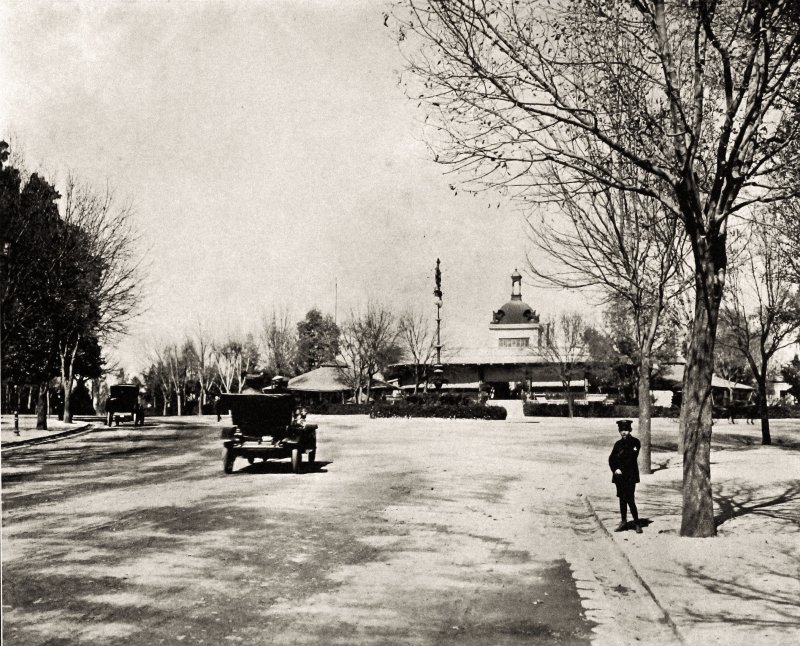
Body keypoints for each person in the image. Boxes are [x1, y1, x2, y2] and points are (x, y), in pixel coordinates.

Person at [608, 419, 642, 533]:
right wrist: (615, 469)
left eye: (626, 430)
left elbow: (631, 458)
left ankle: (637, 523)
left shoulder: (635, 443)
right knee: (622, 499)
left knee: (630, 499)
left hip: (630, 476)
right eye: (622, 430)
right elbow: (611, 458)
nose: (624, 432)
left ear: (630, 430)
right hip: (619, 476)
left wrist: (621, 468)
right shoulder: (617, 444)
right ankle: (623, 522)